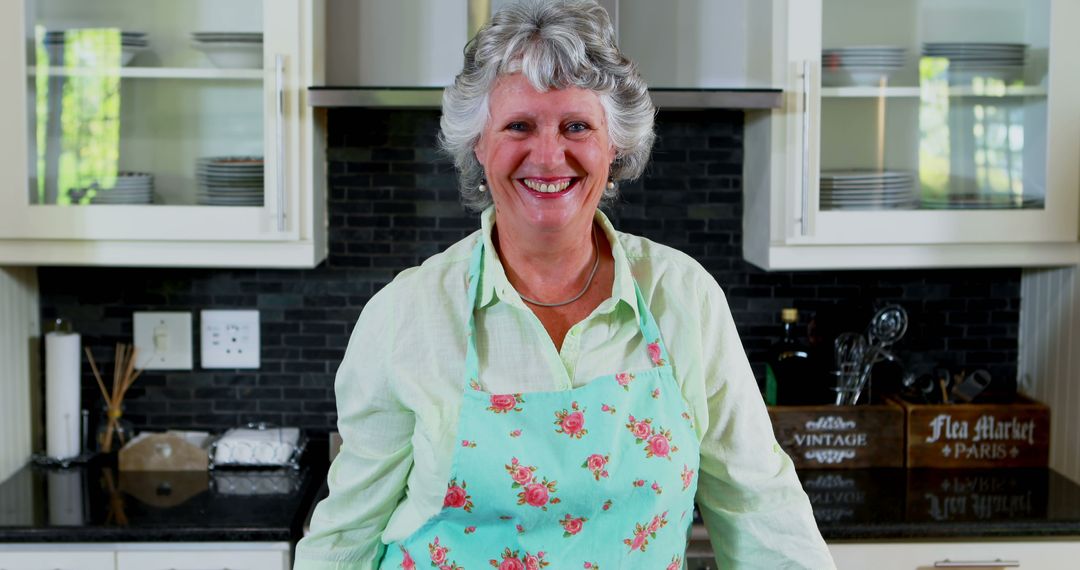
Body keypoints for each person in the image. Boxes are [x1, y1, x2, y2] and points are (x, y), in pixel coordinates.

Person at [295, 0, 835, 568]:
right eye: (518, 126)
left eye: (576, 126)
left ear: (614, 145)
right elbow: (345, 534)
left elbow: (760, 507)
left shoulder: (683, 298)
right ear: (479, 144)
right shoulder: (406, 314)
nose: (549, 155)